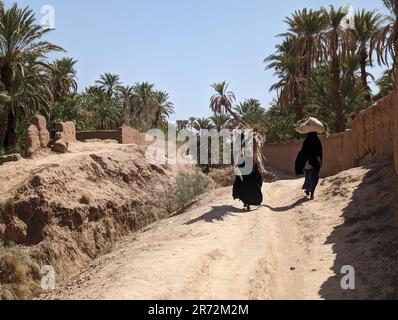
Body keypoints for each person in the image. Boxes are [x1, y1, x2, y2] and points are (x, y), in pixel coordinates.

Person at [232, 137, 264, 212]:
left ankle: (246, 202)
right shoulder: (249, 153)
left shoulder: (253, 154)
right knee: (248, 187)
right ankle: (247, 202)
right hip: (247, 172)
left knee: (247, 187)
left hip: (249, 172)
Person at [299, 132, 323, 200]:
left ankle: (307, 189)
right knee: (314, 178)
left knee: (308, 178)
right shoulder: (317, 141)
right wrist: (320, 161)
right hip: (315, 163)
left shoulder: (306, 141)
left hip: (307, 164)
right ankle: (312, 193)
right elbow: (320, 152)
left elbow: (303, 152)